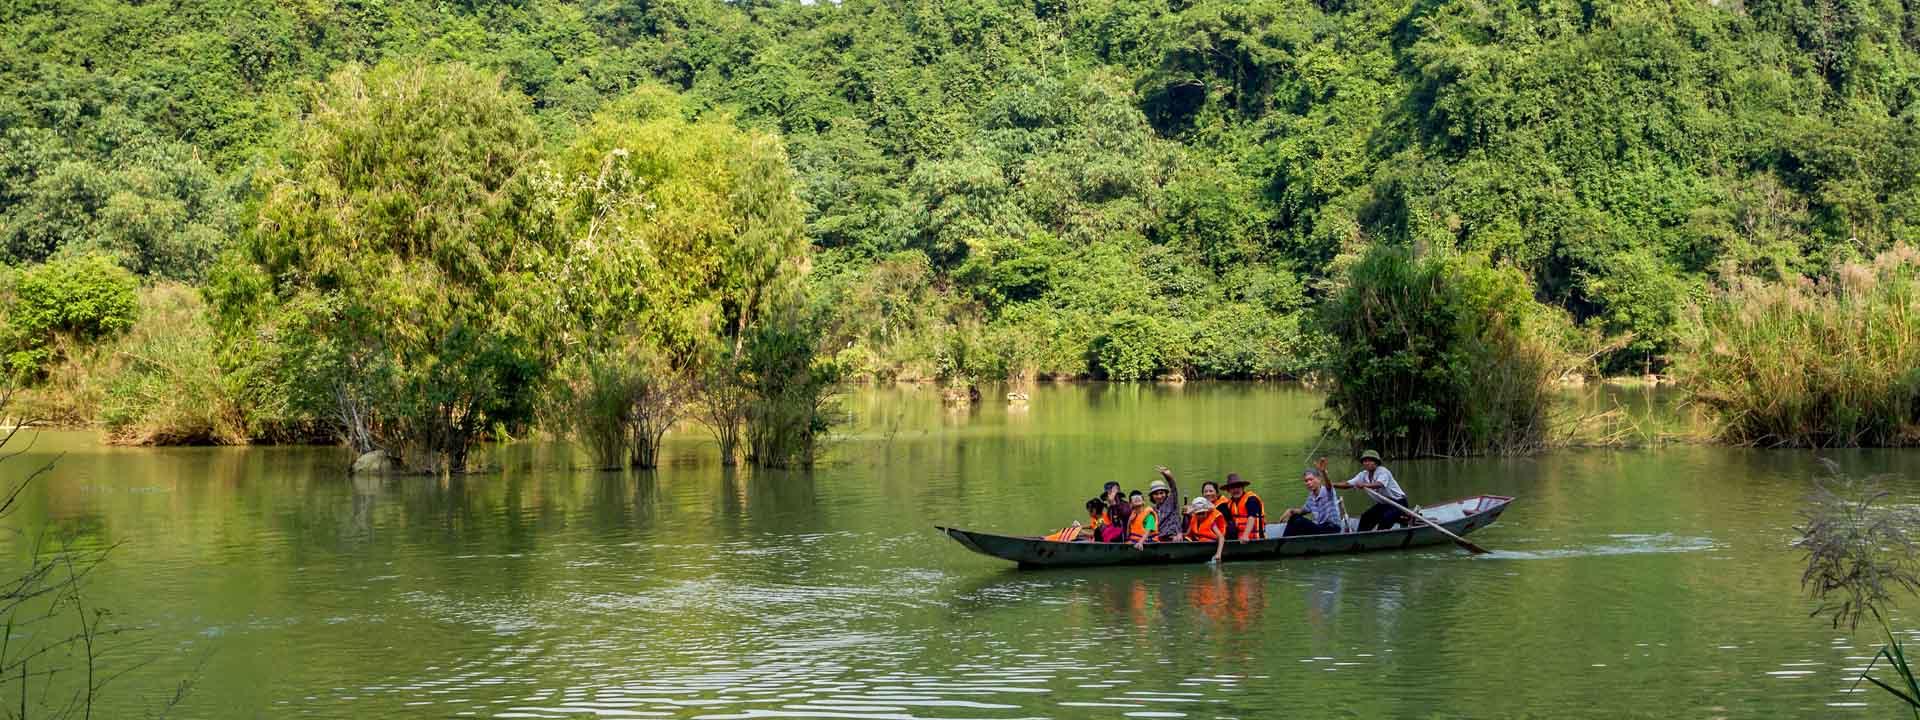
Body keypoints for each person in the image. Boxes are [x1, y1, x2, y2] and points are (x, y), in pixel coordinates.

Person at [1331, 450, 1412, 532]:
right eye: (1365, 461)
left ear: (1376, 462)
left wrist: (1364, 485)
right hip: (1384, 504)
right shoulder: (1363, 475)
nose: (1367, 463)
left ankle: (1397, 522)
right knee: (1366, 517)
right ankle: (1361, 536)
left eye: (1370, 461)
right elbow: (1347, 484)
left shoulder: (1383, 471)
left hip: (1399, 503)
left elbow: (1379, 484)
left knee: (1386, 519)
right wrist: (1331, 484)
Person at [1276, 467, 1343, 536]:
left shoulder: (1327, 491)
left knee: (1300, 522)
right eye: (1306, 481)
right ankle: (1284, 540)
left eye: (1311, 479)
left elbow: (1329, 486)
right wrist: (1291, 511)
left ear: (1319, 479)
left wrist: (1324, 473)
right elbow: (1303, 511)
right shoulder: (1311, 497)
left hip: (1332, 528)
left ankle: (1283, 542)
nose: (1308, 483)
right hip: (1320, 528)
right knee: (1295, 517)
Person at [1221, 474, 1266, 542]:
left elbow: (1252, 517)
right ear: (1228, 490)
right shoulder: (1230, 504)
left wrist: (1245, 535)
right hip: (1238, 539)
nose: (1236, 490)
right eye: (1232, 488)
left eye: (1238, 487)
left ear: (1242, 487)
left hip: (1255, 538)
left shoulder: (1251, 499)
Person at [1185, 496, 1228, 562]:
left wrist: (1218, 554)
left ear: (1207, 511)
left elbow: (1221, 537)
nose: (1201, 516)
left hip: (1211, 543)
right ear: (1195, 513)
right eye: (1198, 514)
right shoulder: (1194, 519)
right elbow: (1187, 533)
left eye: (1203, 513)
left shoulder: (1212, 522)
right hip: (1200, 542)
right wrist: (1177, 535)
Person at [1148, 467, 1183, 542]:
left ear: (1166, 493)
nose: (1159, 496)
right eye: (1156, 494)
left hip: (1173, 535)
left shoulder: (1171, 502)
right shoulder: (1152, 509)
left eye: (1161, 493)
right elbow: (1150, 527)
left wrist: (1168, 477)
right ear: (1152, 496)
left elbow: (1173, 489)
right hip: (1159, 538)